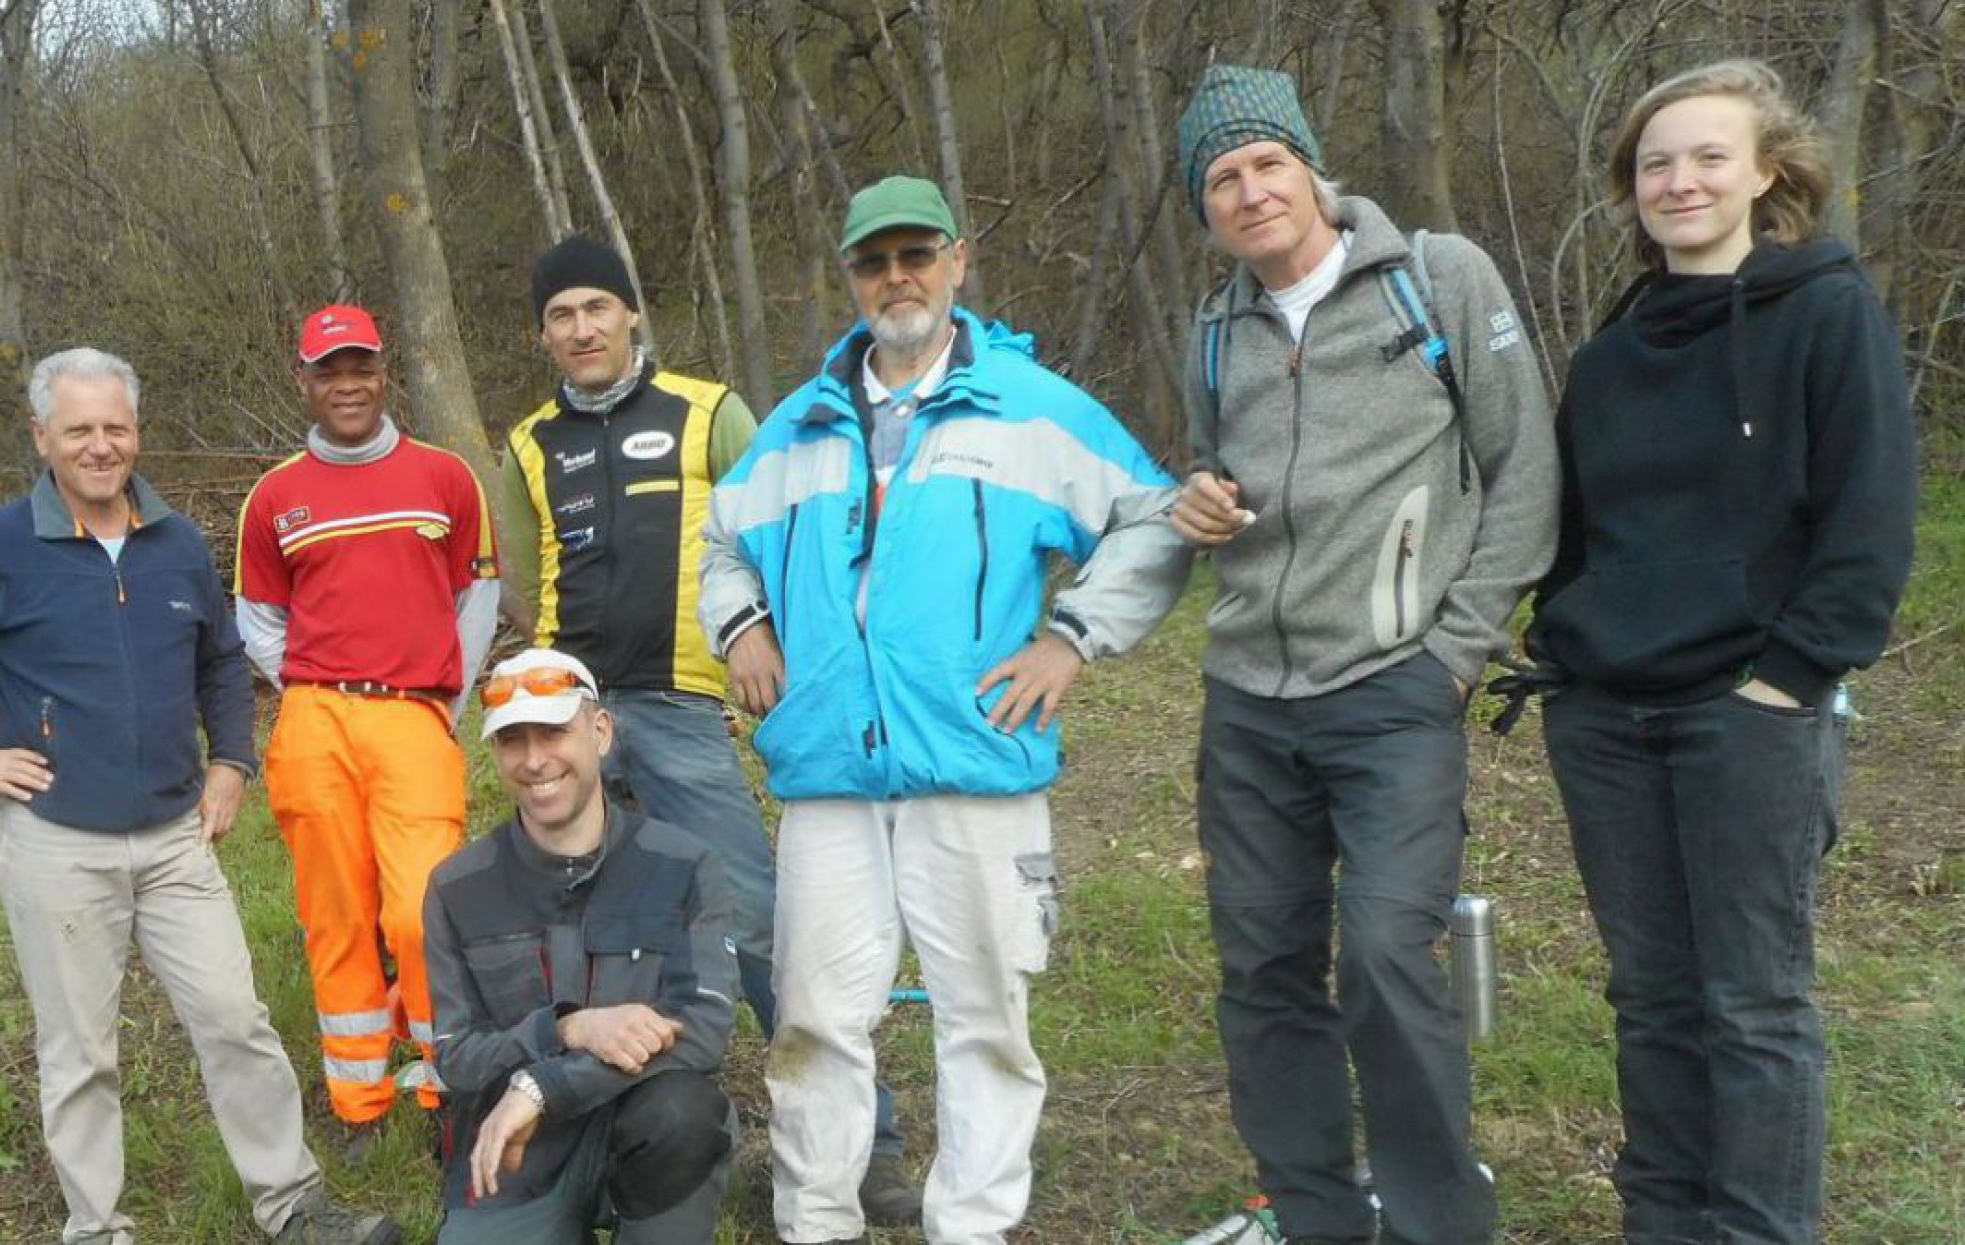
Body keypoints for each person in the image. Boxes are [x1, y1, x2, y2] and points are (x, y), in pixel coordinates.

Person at [699, 175, 1183, 1245]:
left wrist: (1071, 637)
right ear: (850, 278)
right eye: (874, 261)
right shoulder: (795, 424)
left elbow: (1154, 517)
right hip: (828, 772)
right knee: (814, 1021)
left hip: (973, 763)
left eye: (916, 255)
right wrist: (743, 631)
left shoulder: (1032, 408)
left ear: (957, 261)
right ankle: (815, 1222)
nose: (896, 277)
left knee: (985, 1022)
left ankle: (970, 1225)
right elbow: (720, 541)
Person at [0, 348, 394, 1245]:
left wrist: (231, 761)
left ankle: (293, 1204)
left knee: (237, 1021)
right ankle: (97, 1227)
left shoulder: (177, 542)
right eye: (79, 429)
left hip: (177, 836)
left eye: (116, 427)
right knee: (79, 1054)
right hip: (56, 843)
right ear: (42, 437)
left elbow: (221, 659)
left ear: (136, 432)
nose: (101, 446)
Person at [1525, 60, 1915, 1245]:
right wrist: (1565, 661)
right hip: (1605, 719)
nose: (1677, 180)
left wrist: (1785, 680)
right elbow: (1576, 532)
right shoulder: (1610, 351)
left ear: (1764, 173)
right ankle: (1661, 1222)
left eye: (1705, 156)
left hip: (1748, 712)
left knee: (1750, 1004)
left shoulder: (1824, 312)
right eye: (1653, 163)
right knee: (1649, 998)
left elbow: (1868, 518)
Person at [1169, 65, 1558, 1244]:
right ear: (1206, 209)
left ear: (1310, 169)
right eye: (1221, 178)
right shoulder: (1211, 330)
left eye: (1265, 164)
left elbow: (1523, 474)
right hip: (1246, 696)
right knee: (1264, 974)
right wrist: (1192, 501)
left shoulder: (1435, 282)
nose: (1248, 192)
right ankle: (1316, 1216)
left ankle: (1438, 1220)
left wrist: (1452, 653)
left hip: (1393, 687)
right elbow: (1204, 473)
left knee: (1387, 953)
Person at [495, 235, 919, 1222]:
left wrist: (756, 644)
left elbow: (775, 535)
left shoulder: (707, 411)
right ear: (542, 334)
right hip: (570, 722)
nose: (581, 328)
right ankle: (615, 1145)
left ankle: (865, 1147)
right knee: (590, 935)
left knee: (763, 927)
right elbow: (521, 580)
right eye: (560, 315)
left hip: (684, 711)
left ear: (631, 315)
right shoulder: (524, 446)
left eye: (597, 307)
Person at [236, 304, 501, 1147]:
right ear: (304, 379)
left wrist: (439, 697)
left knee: (425, 912)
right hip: (315, 720)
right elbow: (258, 615)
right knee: (336, 912)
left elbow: (478, 597)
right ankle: (361, 1099)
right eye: (328, 370)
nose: (346, 384)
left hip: (414, 713)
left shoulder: (444, 476)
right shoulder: (275, 495)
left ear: (383, 372)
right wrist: (315, 687)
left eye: (360, 367)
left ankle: (441, 1084)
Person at [424, 648, 739, 1244]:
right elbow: (456, 1056)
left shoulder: (684, 865)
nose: (535, 760)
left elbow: (703, 1028)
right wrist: (568, 1031)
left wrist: (545, 1085)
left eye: (554, 733)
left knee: (686, 1112)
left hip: (644, 1123)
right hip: (517, 1151)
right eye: (513, 741)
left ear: (600, 732)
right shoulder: (456, 887)